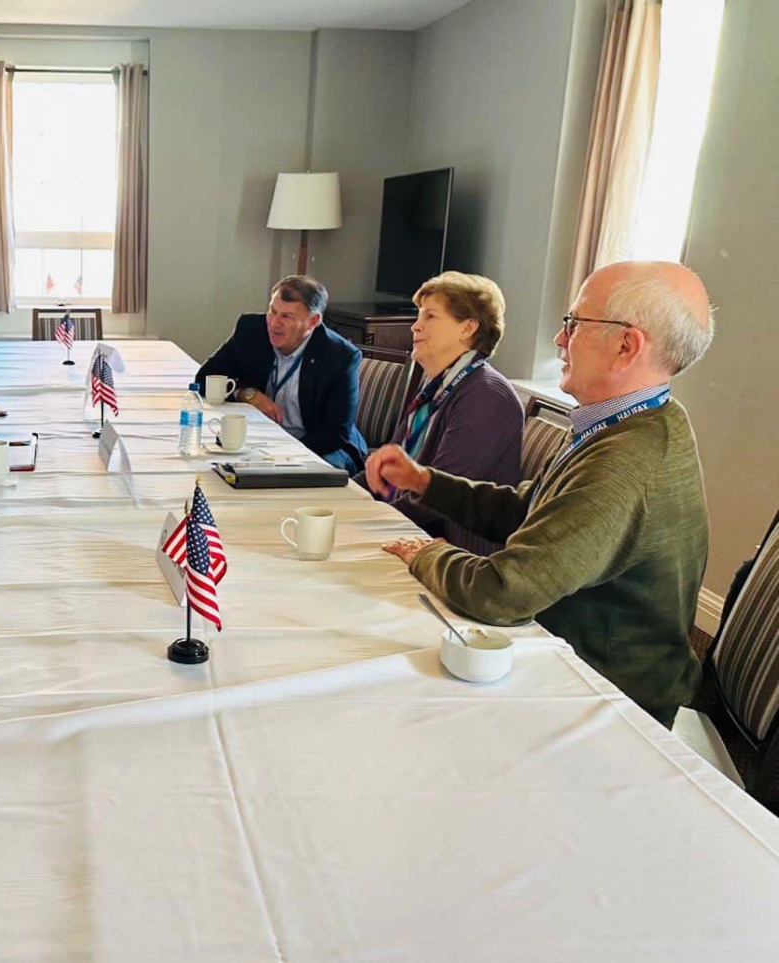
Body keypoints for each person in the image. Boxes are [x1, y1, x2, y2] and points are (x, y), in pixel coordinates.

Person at [370, 261, 714, 726]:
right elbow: (529, 509)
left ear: (626, 346)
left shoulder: (626, 461)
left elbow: (503, 594)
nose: (558, 338)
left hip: (605, 700)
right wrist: (425, 482)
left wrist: (425, 554)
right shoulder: (641, 421)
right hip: (570, 660)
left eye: (574, 324)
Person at [355, 271, 523, 554]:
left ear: (467, 327)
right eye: (419, 316)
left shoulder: (486, 395)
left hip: (456, 552)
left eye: (430, 316)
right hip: (410, 529)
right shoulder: (436, 383)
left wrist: (364, 520)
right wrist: (343, 496)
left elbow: (439, 501)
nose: (415, 326)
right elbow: (388, 469)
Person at [195, 275, 367, 471]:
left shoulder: (339, 356)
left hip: (320, 447)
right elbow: (205, 378)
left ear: (313, 321)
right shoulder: (251, 330)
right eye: (273, 311)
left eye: (287, 316)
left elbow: (335, 434)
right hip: (262, 441)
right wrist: (246, 393)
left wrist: (284, 456)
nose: (274, 324)